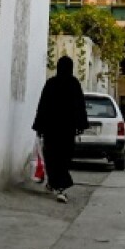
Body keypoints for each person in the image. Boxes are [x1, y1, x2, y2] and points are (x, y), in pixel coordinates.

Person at [33, 56, 89, 203]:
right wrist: (80, 125)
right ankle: (60, 188)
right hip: (67, 130)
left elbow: (43, 106)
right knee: (63, 158)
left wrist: (39, 127)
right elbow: (80, 106)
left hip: (51, 130)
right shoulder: (74, 84)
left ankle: (55, 184)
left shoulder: (51, 83)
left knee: (52, 157)